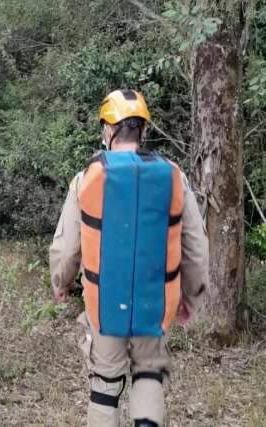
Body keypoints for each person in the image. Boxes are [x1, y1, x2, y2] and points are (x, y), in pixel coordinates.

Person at [49, 89, 209, 427]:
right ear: (143, 130)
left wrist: (61, 282)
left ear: (108, 130)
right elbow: (195, 246)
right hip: (155, 300)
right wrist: (189, 295)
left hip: (104, 304)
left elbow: (66, 247)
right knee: (148, 375)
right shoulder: (174, 177)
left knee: (105, 385)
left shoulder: (86, 179)